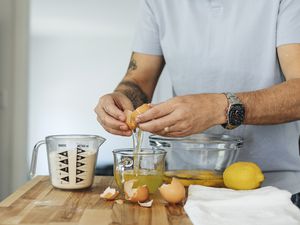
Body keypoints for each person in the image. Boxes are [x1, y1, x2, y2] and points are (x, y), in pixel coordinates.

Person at [95, 0, 300, 192]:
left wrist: (219, 108)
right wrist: (122, 99)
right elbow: (139, 79)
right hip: (184, 179)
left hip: (272, 182)